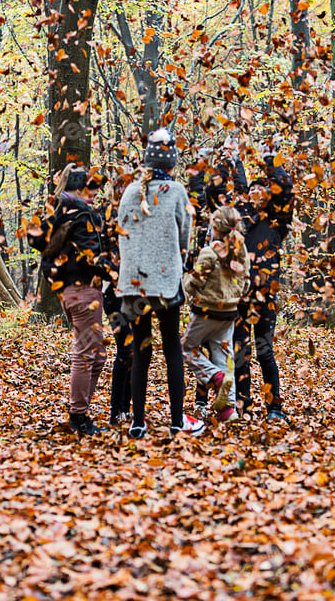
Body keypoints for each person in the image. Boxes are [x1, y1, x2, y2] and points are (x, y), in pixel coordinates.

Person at [116, 128, 205, 438]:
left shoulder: (129, 192)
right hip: (166, 284)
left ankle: (137, 422)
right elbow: (185, 237)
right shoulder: (177, 192)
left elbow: (121, 233)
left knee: (141, 350)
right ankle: (177, 420)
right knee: (171, 349)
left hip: (134, 285)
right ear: (171, 163)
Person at [28, 164, 110, 435]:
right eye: (92, 191)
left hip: (69, 291)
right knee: (87, 355)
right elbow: (92, 257)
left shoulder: (57, 210)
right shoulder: (82, 213)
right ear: (81, 189)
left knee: (97, 355)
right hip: (83, 289)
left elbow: (34, 237)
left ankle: (81, 409)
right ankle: (78, 417)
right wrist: (116, 271)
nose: (95, 196)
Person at [234, 150, 294, 421]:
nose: (257, 192)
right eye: (253, 189)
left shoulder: (277, 220)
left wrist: (271, 162)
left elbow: (284, 189)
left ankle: (274, 409)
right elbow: (236, 186)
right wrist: (235, 159)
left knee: (265, 352)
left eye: (262, 189)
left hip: (267, 295)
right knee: (240, 352)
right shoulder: (242, 218)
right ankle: (242, 406)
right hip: (240, 294)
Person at [182, 206, 250, 423]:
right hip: (229, 314)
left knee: (186, 346)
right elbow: (246, 283)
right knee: (224, 357)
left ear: (215, 227)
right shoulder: (241, 251)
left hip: (205, 312)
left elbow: (195, 282)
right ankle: (227, 411)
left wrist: (183, 284)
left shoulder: (209, 253)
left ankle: (214, 376)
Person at [99, 177, 134, 425]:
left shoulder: (138, 213)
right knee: (126, 348)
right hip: (112, 291)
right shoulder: (104, 214)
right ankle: (116, 411)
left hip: (136, 291)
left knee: (135, 351)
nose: (124, 191)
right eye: (121, 186)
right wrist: (113, 268)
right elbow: (97, 252)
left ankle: (127, 407)